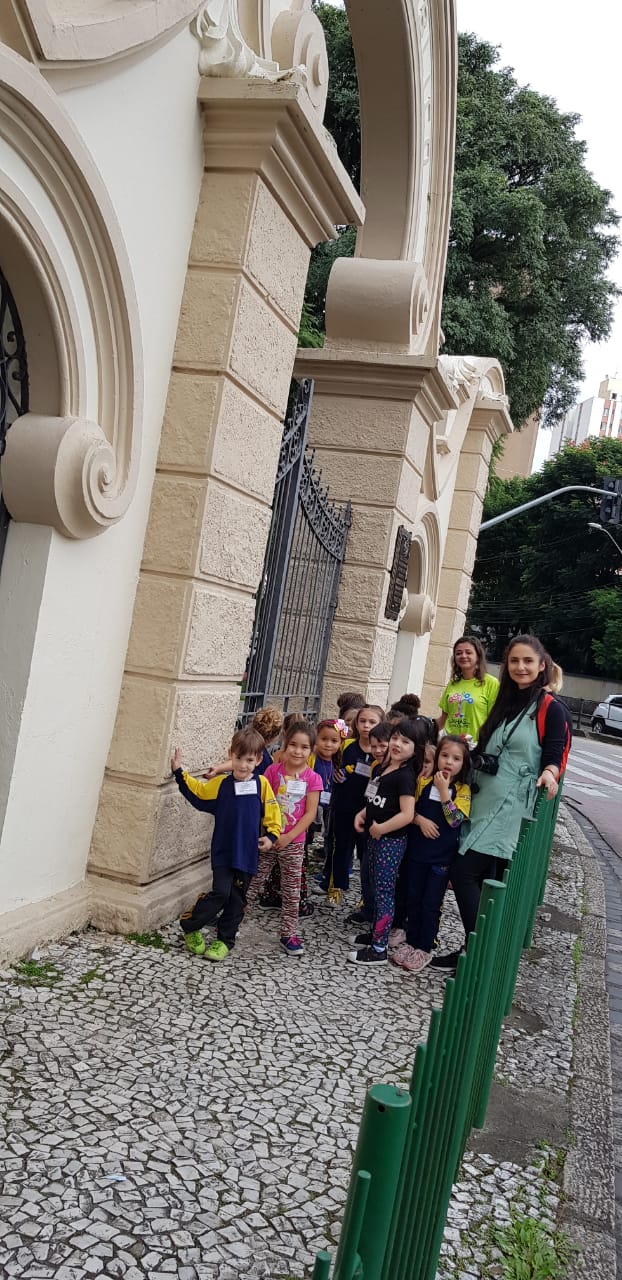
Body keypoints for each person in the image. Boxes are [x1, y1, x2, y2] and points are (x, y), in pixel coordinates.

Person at [432, 634, 570, 974]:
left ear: (542, 666)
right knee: (485, 880)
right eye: (514, 661)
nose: (520, 667)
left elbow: (556, 752)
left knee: (464, 872)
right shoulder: (506, 702)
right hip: (483, 800)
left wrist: (550, 773)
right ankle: (473, 949)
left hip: (509, 807)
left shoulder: (551, 708)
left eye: (527, 661)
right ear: (506, 667)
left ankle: (483, 953)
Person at [172, 727, 282, 960]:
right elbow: (198, 791)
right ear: (230, 755)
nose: (243, 765)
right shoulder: (220, 784)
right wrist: (179, 771)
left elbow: (274, 813)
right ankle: (191, 926)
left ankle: (224, 940)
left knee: (237, 899)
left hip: (247, 854)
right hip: (223, 852)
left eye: (249, 760)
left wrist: (271, 836)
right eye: (239, 758)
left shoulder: (262, 785)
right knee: (220, 893)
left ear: (258, 760)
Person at [348, 719, 425, 966]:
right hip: (373, 838)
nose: (397, 744)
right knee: (372, 885)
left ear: (416, 748)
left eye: (405, 741)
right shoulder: (382, 768)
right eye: (395, 738)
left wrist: (382, 828)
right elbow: (373, 798)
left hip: (389, 842)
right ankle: (375, 933)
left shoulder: (405, 776)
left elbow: (406, 814)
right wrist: (362, 814)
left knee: (384, 893)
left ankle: (379, 947)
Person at [392, 736, 471, 974]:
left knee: (430, 904)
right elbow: (409, 809)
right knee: (413, 898)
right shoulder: (422, 781)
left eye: (456, 759)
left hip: (441, 859)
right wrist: (420, 820)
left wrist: (445, 793)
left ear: (463, 764)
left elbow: (456, 820)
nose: (449, 762)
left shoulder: (463, 790)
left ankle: (425, 946)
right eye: (445, 756)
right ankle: (412, 940)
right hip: (417, 853)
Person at [246, 720, 322, 956]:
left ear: (311, 750)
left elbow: (310, 813)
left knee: (291, 892)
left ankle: (288, 933)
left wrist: (289, 836)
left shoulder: (313, 778)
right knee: (252, 883)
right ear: (285, 744)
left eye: (304, 747)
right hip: (268, 838)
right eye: (293, 745)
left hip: (293, 843)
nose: (297, 751)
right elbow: (263, 803)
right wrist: (268, 832)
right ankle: (231, 922)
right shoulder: (272, 771)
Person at [321, 704, 384, 904]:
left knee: (367, 854)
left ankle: (367, 898)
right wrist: (337, 774)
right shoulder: (347, 744)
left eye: (372, 722)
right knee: (340, 847)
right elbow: (332, 763)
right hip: (344, 805)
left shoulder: (382, 751)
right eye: (362, 721)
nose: (366, 726)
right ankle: (336, 886)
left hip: (369, 810)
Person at [347, 719, 393, 927]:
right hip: (370, 825)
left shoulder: (398, 772)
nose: (377, 750)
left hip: (388, 832)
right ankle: (368, 908)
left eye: (382, 745)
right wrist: (363, 814)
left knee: (382, 878)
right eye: (374, 746)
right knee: (365, 870)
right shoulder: (375, 767)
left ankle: (381, 919)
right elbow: (371, 794)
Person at [437, 636, 499, 742]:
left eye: (468, 652)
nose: (463, 656)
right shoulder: (453, 684)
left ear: (478, 656)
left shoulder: (491, 683)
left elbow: (494, 721)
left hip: (475, 747)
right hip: (450, 745)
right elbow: (443, 719)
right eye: (459, 653)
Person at [203, 705, 283, 779]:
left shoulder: (248, 746)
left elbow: (235, 762)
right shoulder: (265, 757)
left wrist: (218, 768)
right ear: (274, 737)